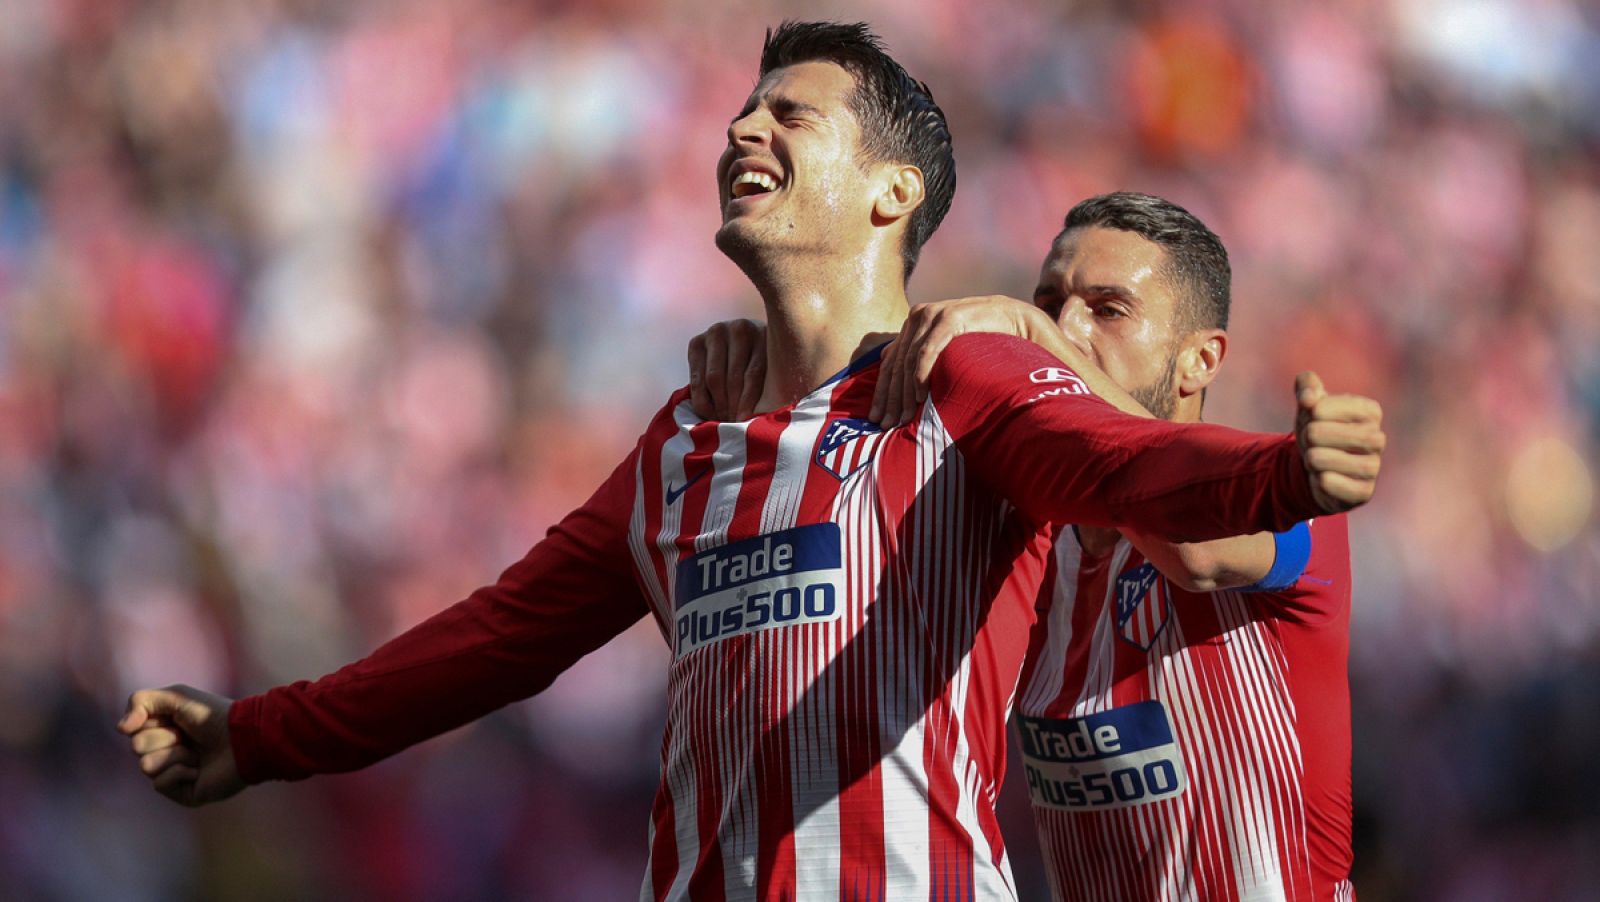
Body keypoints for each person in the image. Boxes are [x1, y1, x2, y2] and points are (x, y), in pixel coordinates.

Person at [119, 24, 1381, 901]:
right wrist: (261, 733)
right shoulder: (690, 437)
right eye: (740, 106)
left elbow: (1122, 468)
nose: (740, 127)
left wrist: (1282, 473)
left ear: (891, 194)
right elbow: (496, 638)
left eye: (790, 112)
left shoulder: (968, 389)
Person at [690, 191, 1371, 899]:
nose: (1066, 327)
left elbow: (1194, 553)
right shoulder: (1026, 542)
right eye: (1048, 302)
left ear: (1200, 360)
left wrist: (1035, 340)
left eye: (1108, 309)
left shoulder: (1280, 494)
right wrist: (774, 368)